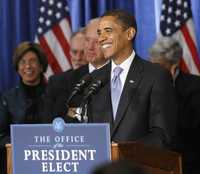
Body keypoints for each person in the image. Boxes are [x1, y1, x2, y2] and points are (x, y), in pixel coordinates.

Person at [87, 9, 177, 147]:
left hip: (138, 166)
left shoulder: (155, 76)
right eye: (99, 32)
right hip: (102, 167)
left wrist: (124, 151)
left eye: (108, 31)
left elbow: (162, 134)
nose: (101, 38)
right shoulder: (94, 79)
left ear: (129, 33)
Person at [149, 36, 200, 174]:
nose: (153, 71)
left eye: (158, 66)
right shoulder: (146, 87)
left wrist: (169, 90)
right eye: (151, 64)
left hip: (188, 162)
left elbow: (190, 130)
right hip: (154, 160)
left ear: (174, 66)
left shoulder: (195, 88)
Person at [43, 18, 107, 121]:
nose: (90, 47)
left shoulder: (121, 76)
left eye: (97, 42)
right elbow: (51, 124)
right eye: (87, 40)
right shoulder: (65, 81)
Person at [0, 41, 48, 174]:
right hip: (16, 160)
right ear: (17, 66)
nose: (27, 66)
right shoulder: (7, 98)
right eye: (22, 61)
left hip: (47, 159)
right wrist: (21, 144)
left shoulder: (53, 94)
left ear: (40, 65)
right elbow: (1, 135)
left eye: (33, 61)